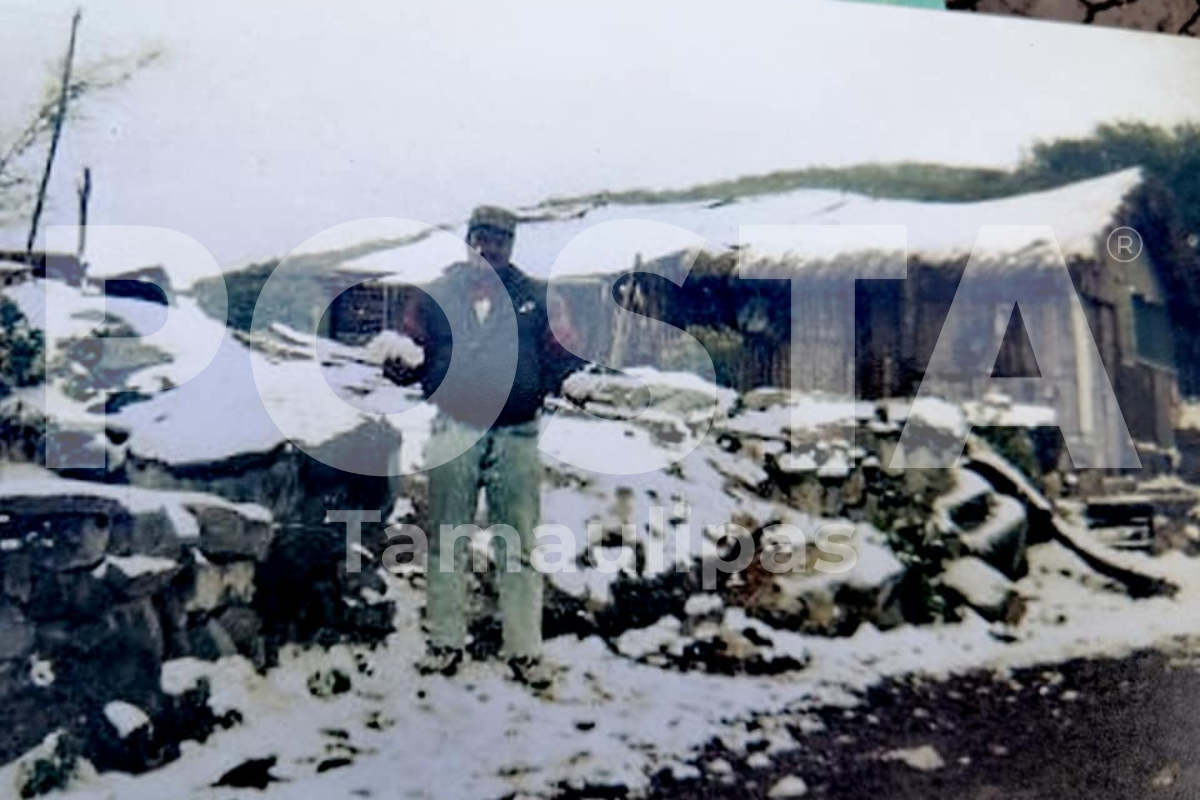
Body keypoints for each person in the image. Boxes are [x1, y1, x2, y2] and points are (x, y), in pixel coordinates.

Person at [382, 206, 581, 690]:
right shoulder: (435, 294)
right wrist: (401, 365)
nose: (490, 248)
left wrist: (559, 383)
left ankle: (524, 650)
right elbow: (410, 348)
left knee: (518, 543)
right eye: (482, 238)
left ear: (511, 246)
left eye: (500, 240)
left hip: (517, 433)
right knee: (448, 537)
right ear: (469, 240)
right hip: (455, 427)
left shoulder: (537, 296)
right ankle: (445, 643)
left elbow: (564, 354)